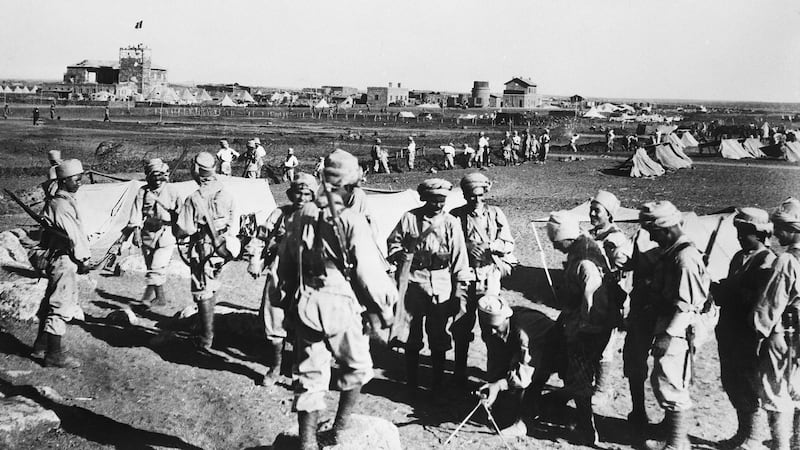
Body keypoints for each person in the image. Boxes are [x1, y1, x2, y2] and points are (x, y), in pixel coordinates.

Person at [276, 149, 397, 450]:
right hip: (339, 303)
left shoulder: (300, 214)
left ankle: (306, 443)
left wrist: (285, 302)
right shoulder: (351, 219)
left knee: (309, 377)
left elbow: (285, 264)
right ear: (351, 185)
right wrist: (385, 306)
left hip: (305, 301)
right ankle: (339, 431)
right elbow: (369, 272)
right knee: (357, 368)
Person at [387, 179, 472, 392]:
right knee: (411, 334)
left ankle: (436, 385)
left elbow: (460, 257)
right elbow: (393, 242)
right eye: (433, 201)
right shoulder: (409, 218)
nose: (438, 205)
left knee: (438, 335)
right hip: (413, 281)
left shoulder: (451, 222)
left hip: (441, 282)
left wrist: (460, 288)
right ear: (424, 198)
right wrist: (399, 253)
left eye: (441, 201)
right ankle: (412, 383)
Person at [638, 201, 710, 450]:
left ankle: (678, 443)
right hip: (668, 322)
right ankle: (670, 430)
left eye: (652, 231)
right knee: (664, 379)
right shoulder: (673, 253)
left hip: (679, 329)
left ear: (665, 229)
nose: (650, 236)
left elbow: (686, 306)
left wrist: (667, 336)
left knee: (672, 382)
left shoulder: (684, 257)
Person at [547, 211, 615, 445]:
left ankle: (587, 431)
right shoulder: (582, 248)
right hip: (585, 323)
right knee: (577, 375)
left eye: (556, 243)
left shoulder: (585, 260)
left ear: (565, 237)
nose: (555, 248)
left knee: (581, 380)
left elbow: (593, 297)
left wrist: (583, 328)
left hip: (589, 328)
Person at [713, 208, 775, 449]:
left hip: (747, 331)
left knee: (748, 381)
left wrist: (728, 292)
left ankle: (753, 436)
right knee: (731, 380)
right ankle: (742, 431)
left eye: (744, 233)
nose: (739, 237)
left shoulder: (767, 260)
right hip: (729, 328)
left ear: (759, 234)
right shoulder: (739, 257)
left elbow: (759, 298)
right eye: (738, 232)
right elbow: (732, 286)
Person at [247, 173, 318, 385]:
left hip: (307, 273)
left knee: (303, 319)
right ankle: (275, 366)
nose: (301, 198)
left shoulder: (318, 216)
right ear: (291, 194)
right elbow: (260, 237)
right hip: (280, 270)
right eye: (298, 193)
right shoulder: (280, 214)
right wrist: (254, 260)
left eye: (307, 194)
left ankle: (298, 370)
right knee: (273, 315)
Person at [450, 173, 515, 386]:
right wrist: (467, 247)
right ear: (465, 196)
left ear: (485, 194)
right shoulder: (455, 215)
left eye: (480, 196)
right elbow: (447, 244)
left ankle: (494, 377)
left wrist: (490, 246)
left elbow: (509, 243)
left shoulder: (496, 213)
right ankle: (459, 374)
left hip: (490, 278)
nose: (476, 201)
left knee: (493, 329)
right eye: (471, 197)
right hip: (464, 278)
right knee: (460, 328)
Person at [174, 152, 239, 352]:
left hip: (202, 250)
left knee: (202, 291)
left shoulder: (194, 198)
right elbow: (234, 224)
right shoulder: (226, 193)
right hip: (222, 248)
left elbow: (185, 229)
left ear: (196, 170)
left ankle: (206, 337)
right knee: (212, 287)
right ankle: (209, 330)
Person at [30, 159, 91, 368]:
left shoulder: (60, 200)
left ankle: (40, 345)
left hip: (59, 257)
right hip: (63, 259)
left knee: (50, 300)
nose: (80, 183)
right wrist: (83, 260)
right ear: (64, 181)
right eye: (76, 179)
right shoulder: (62, 205)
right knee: (61, 304)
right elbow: (74, 237)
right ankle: (54, 354)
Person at [751, 198, 800, 450]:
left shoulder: (787, 261)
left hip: (786, 333)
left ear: (793, 230)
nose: (777, 233)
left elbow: (771, 304)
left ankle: (782, 445)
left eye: (781, 227)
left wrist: (760, 332)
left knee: (775, 390)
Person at [476, 296, 559, 438]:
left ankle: (524, 422)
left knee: (531, 382)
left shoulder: (524, 332)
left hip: (556, 350)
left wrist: (499, 385)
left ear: (506, 319)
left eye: (495, 328)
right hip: (526, 349)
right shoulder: (491, 325)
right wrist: (492, 386)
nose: (492, 332)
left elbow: (524, 375)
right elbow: (496, 358)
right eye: (489, 328)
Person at [588, 190, 632, 405]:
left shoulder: (616, 239)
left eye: (597, 210)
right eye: (591, 210)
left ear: (609, 214)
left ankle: (602, 388)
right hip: (589, 297)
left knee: (605, 345)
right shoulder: (592, 235)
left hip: (608, 298)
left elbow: (622, 266)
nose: (593, 214)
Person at [125, 158, 182, 307]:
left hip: (166, 233)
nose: (157, 179)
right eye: (153, 176)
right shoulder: (142, 192)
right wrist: (136, 233)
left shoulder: (172, 191)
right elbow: (136, 213)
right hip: (147, 234)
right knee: (152, 267)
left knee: (157, 267)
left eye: (159, 175)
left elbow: (181, 213)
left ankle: (145, 300)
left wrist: (180, 230)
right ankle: (160, 298)